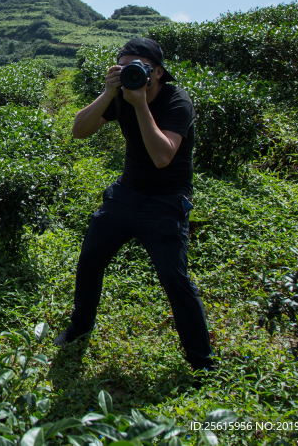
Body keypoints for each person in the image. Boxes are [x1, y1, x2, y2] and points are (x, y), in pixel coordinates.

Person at [54, 37, 213, 372]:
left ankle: (201, 360)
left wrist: (139, 104)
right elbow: (79, 131)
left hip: (168, 201)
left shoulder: (176, 100)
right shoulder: (121, 95)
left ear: (157, 71)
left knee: (175, 279)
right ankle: (79, 329)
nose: (131, 73)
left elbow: (161, 156)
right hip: (127, 193)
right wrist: (109, 94)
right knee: (90, 260)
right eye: (123, 67)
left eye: (138, 68)